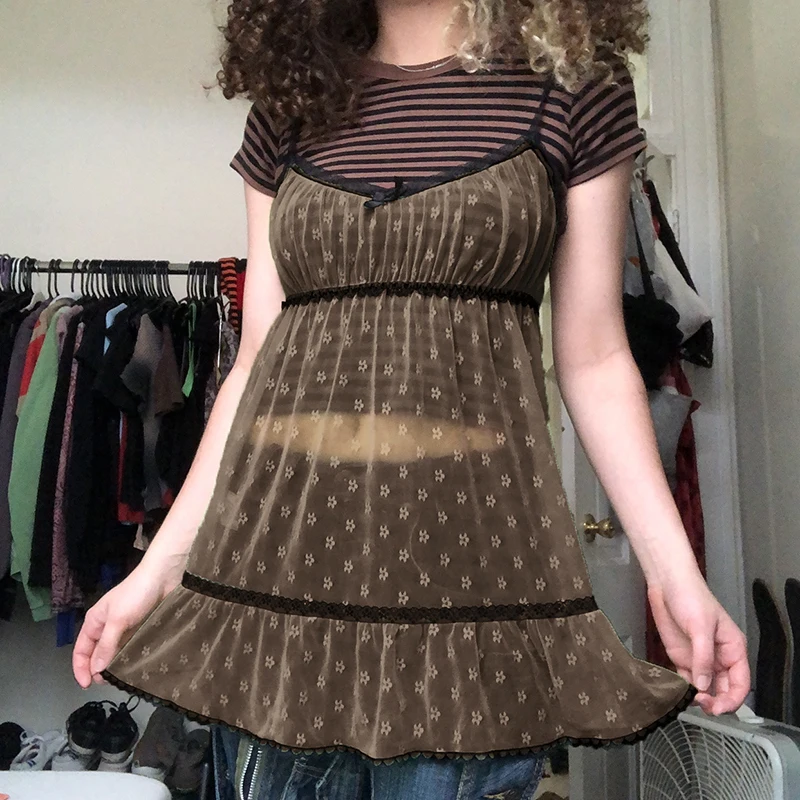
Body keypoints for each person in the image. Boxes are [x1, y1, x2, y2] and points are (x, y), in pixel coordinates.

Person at [73, 0, 751, 797]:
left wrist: (674, 572)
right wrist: (159, 568)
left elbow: (597, 358)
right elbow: (257, 364)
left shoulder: (574, 84)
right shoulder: (290, 101)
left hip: (473, 600)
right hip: (276, 599)